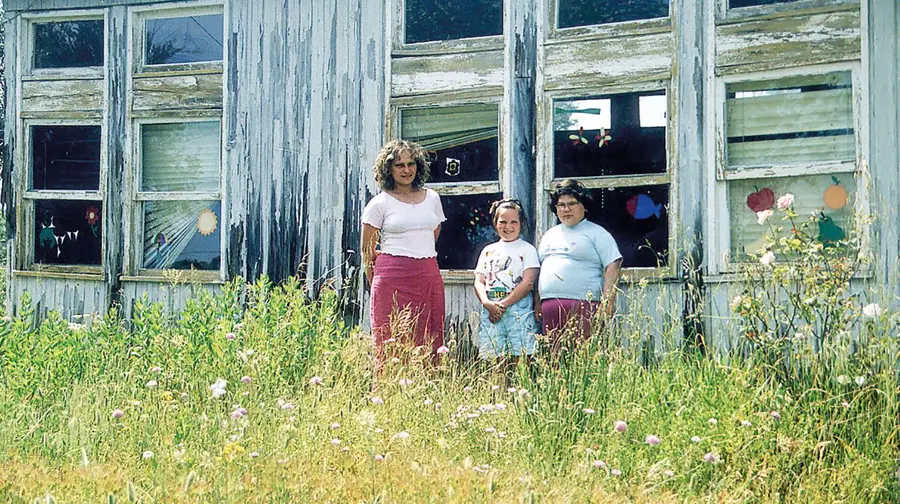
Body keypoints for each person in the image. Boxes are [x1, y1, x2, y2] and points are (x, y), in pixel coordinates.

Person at [361, 140, 446, 364]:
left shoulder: (433, 198)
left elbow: (433, 233)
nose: (406, 170)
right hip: (391, 278)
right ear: (388, 169)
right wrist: (379, 280)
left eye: (411, 164)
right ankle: (389, 395)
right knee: (391, 339)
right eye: (399, 165)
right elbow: (367, 251)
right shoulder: (379, 203)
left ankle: (425, 393)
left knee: (430, 335)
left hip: (428, 274)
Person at [538, 179, 623, 353]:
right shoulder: (549, 235)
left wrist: (607, 304)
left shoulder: (597, 233)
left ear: (584, 206)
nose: (565, 209)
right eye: (560, 205)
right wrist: (536, 302)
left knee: (584, 360)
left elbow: (613, 265)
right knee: (554, 361)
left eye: (571, 204)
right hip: (550, 307)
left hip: (584, 306)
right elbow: (538, 270)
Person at [473, 199, 540, 373]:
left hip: (518, 308)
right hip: (491, 308)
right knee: (494, 356)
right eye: (502, 222)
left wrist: (502, 305)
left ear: (521, 224)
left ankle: (520, 393)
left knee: (521, 353)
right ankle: (499, 393)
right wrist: (487, 303)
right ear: (495, 223)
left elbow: (528, 282)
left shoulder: (527, 249)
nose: (507, 226)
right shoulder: (488, 250)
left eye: (513, 222)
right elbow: (479, 281)